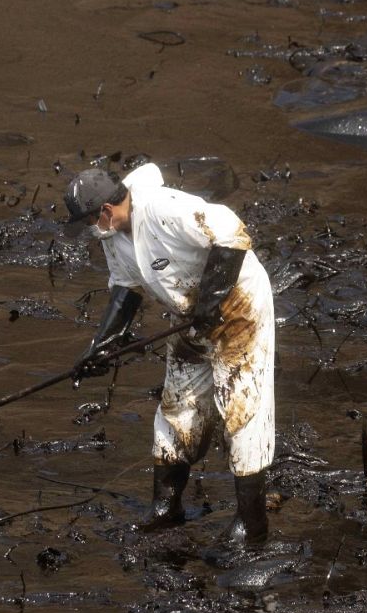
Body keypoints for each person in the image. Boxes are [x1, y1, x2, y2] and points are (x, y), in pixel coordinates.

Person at [60, 162, 275, 546]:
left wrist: (211, 302)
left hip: (237, 306)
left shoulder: (163, 207)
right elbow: (126, 291)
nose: (91, 231)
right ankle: (167, 506)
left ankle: (252, 523)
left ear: (105, 212)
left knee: (242, 408)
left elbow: (231, 232)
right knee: (178, 405)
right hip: (191, 316)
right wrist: (100, 348)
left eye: (90, 221)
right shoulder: (114, 238)